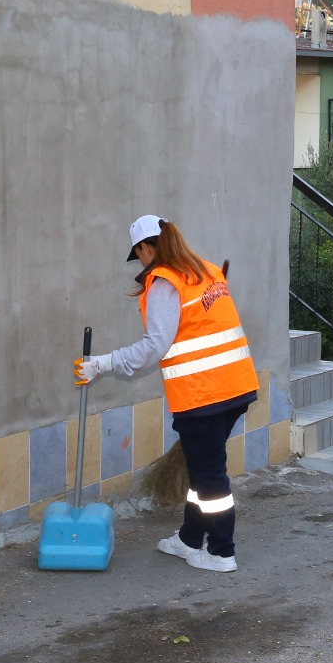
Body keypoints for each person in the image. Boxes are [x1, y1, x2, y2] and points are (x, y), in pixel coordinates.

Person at [73, 216, 258, 571]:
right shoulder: (203, 270)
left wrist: (103, 364)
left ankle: (221, 552)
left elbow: (154, 345)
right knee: (200, 468)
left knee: (210, 475)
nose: (141, 262)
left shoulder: (165, 283)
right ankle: (190, 538)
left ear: (146, 248)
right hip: (235, 386)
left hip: (203, 395)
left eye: (139, 254)